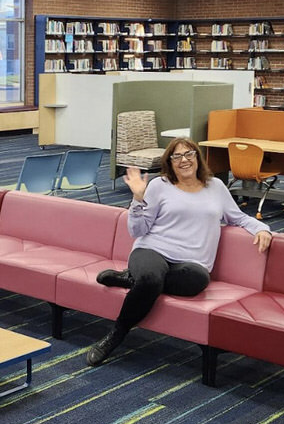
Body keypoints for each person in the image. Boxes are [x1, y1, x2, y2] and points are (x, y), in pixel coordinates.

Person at [86, 137, 272, 366]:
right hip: (152, 250)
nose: (184, 160)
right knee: (151, 278)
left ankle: (132, 280)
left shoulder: (216, 187)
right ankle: (116, 334)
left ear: (197, 157)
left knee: (197, 281)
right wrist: (137, 199)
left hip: (192, 262)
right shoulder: (158, 186)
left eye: (189, 154)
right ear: (170, 162)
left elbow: (239, 217)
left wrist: (262, 229)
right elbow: (138, 230)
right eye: (177, 156)